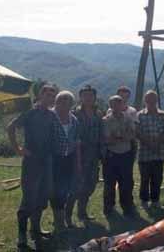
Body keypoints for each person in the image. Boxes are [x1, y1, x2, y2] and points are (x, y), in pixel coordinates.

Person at [7, 84, 57, 251]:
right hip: (32, 162)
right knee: (29, 198)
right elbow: (11, 127)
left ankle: (35, 229)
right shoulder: (30, 113)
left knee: (43, 196)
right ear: (41, 95)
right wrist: (18, 149)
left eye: (53, 95)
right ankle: (22, 235)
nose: (51, 98)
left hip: (47, 162)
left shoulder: (52, 115)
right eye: (48, 95)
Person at [66, 85, 102, 225]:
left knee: (90, 185)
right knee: (75, 187)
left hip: (94, 156)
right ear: (80, 97)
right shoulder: (74, 114)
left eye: (91, 95)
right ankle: (67, 217)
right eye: (85, 95)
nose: (88, 98)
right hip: (78, 156)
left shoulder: (98, 114)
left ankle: (82, 212)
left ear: (94, 97)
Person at [50, 91, 81, 232]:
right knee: (55, 191)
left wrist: (78, 162)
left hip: (68, 159)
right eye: (61, 100)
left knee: (65, 189)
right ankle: (59, 223)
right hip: (51, 159)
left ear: (71, 104)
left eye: (68, 101)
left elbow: (76, 142)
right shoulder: (49, 116)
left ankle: (60, 221)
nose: (64, 103)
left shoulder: (73, 120)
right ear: (56, 102)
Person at [102, 95, 136, 216]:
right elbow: (108, 139)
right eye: (114, 103)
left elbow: (132, 134)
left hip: (126, 155)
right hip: (111, 155)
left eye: (119, 103)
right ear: (110, 105)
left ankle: (127, 206)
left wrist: (118, 136)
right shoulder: (106, 120)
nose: (117, 105)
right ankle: (109, 208)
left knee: (126, 182)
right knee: (109, 183)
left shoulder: (128, 118)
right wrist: (123, 136)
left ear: (122, 105)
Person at [137, 90, 164, 208]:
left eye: (153, 100)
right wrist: (150, 144)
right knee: (144, 178)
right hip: (144, 154)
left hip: (159, 153)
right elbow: (138, 132)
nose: (150, 102)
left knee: (157, 178)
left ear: (156, 100)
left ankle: (155, 200)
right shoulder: (140, 115)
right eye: (148, 100)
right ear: (145, 101)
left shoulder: (163, 115)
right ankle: (144, 201)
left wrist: (157, 143)